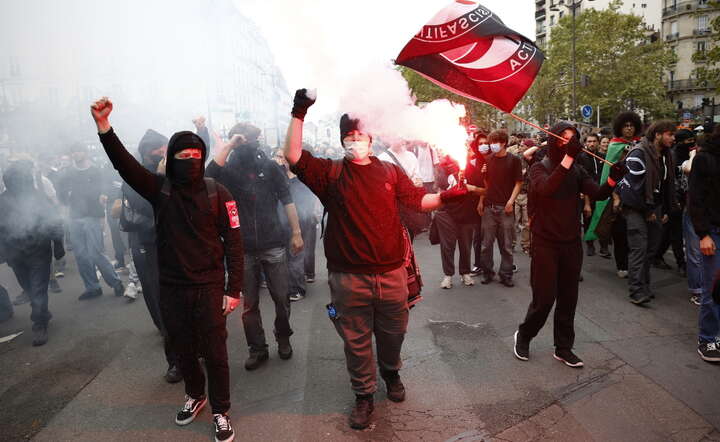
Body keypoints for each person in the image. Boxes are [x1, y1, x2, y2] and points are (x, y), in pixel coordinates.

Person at [284, 89, 467, 430]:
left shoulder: (389, 172)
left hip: (391, 274)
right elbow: (294, 156)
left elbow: (416, 200)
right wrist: (298, 113)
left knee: (393, 333)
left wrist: (445, 196)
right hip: (348, 277)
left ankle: (391, 373)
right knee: (355, 341)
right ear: (343, 141)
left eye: (360, 135)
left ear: (371, 138)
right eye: (349, 137)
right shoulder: (331, 173)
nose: (355, 141)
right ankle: (364, 395)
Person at [91, 97, 243, 442]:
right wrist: (105, 129)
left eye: (195, 156)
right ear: (170, 158)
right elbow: (124, 166)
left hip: (208, 286)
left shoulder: (219, 193)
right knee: (183, 347)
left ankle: (221, 410)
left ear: (202, 158)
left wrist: (234, 290)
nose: (189, 162)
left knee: (216, 352)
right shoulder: (160, 190)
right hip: (172, 287)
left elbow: (234, 243)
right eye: (182, 156)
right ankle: (196, 395)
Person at [514, 122, 627, 368]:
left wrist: (612, 181)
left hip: (570, 242)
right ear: (553, 140)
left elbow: (597, 194)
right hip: (545, 243)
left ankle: (563, 348)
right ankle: (524, 334)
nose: (569, 141)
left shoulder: (576, 169)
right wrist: (568, 159)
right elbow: (546, 188)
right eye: (563, 137)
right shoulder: (538, 168)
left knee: (568, 298)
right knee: (544, 299)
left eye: (572, 137)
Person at [206, 122, 299, 370]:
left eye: (249, 138)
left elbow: (287, 198)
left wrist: (297, 232)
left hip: (273, 243)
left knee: (281, 298)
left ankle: (283, 337)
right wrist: (229, 146)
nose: (246, 142)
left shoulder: (269, 166)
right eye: (241, 139)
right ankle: (257, 348)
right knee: (249, 305)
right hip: (242, 248)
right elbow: (208, 176)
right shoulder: (228, 170)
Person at [113, 128, 182, 383]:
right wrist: (163, 176)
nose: (163, 153)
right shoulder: (136, 176)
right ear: (146, 152)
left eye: (165, 148)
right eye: (158, 150)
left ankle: (193, 349)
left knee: (185, 301)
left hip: (175, 245)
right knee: (162, 303)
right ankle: (175, 361)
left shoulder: (175, 171)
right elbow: (151, 204)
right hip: (148, 246)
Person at [0, 162, 65, 346]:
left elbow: (53, 220)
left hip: (38, 251)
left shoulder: (37, 197)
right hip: (15, 254)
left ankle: (39, 323)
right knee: (28, 288)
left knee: (37, 289)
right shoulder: (2, 201)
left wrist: (58, 244)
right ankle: (42, 312)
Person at [616, 120, 676, 305]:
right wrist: (647, 210)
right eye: (669, 134)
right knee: (639, 249)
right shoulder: (638, 153)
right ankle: (636, 290)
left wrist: (666, 209)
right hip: (636, 208)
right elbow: (632, 188)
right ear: (657, 134)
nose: (673, 138)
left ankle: (645, 285)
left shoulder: (666, 156)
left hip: (655, 208)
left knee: (651, 250)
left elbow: (667, 185)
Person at [57, 143, 124, 300]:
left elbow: (105, 190)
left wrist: (102, 214)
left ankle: (115, 283)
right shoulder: (69, 173)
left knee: (96, 253)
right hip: (74, 218)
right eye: (73, 151)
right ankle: (92, 287)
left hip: (92, 217)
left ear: (85, 153)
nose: (76, 154)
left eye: (78, 151)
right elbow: (61, 192)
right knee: (81, 255)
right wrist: (64, 204)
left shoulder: (96, 171)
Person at [585, 112, 641, 277]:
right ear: (620, 128)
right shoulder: (614, 146)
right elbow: (609, 175)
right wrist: (615, 196)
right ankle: (622, 265)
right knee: (620, 234)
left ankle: (635, 266)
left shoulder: (640, 144)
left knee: (636, 236)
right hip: (619, 195)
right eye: (626, 126)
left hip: (636, 194)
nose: (629, 129)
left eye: (631, 126)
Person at [688, 127, 720, 362]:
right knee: (712, 288)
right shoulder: (705, 159)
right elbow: (695, 198)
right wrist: (703, 234)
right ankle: (707, 339)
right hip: (713, 232)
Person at [273, 149, 321, 301]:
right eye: (277, 157)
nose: (279, 160)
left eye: (282, 157)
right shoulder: (277, 177)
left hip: (301, 220)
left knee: (296, 254)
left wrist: (315, 212)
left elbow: (313, 195)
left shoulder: (301, 177)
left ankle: (297, 288)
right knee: (286, 255)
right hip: (281, 220)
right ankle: (291, 284)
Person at [435, 146, 486, 289]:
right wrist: (453, 189)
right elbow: (439, 191)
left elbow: (485, 190)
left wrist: (471, 188)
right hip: (446, 214)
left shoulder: (473, 170)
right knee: (447, 246)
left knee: (465, 245)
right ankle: (448, 275)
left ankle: (465, 272)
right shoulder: (443, 170)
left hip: (467, 213)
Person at [478, 130, 523, 287]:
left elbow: (519, 182)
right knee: (486, 244)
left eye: (495, 142)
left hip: (506, 208)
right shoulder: (488, 160)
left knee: (506, 245)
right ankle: (487, 272)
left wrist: (511, 201)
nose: (492, 145)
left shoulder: (514, 160)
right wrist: (483, 178)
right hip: (489, 208)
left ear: (503, 143)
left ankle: (506, 274)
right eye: (491, 142)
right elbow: (487, 185)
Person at [654, 129, 693, 276]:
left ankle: (657, 255)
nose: (692, 144)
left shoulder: (683, 155)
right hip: (672, 199)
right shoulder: (672, 155)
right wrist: (673, 200)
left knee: (669, 231)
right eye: (689, 141)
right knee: (675, 231)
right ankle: (681, 264)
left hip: (680, 199)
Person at [577, 134, 603, 257]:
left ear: (598, 142)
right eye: (589, 141)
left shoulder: (602, 157)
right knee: (588, 218)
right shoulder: (582, 157)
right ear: (586, 143)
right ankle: (590, 244)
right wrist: (586, 202)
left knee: (602, 219)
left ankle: (604, 246)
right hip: (587, 195)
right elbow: (583, 179)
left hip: (601, 193)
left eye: (594, 141)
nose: (592, 144)